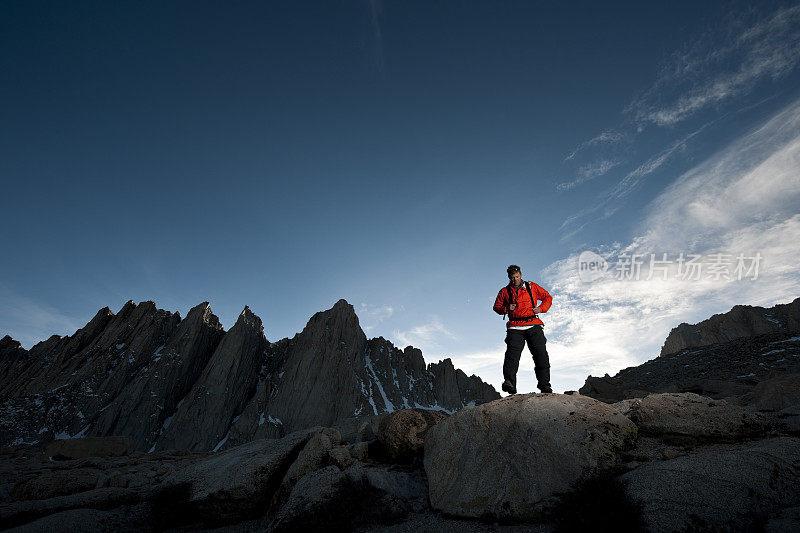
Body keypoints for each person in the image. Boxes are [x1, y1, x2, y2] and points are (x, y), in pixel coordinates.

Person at [492, 264, 553, 394]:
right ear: (509, 277)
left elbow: (548, 297)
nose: (515, 280)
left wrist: (541, 309)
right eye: (512, 278)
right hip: (514, 327)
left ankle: (545, 386)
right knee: (511, 357)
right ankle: (510, 383)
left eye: (517, 277)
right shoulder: (504, 291)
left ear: (521, 275)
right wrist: (507, 309)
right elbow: (496, 307)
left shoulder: (532, 287)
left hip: (533, 324)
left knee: (541, 355)